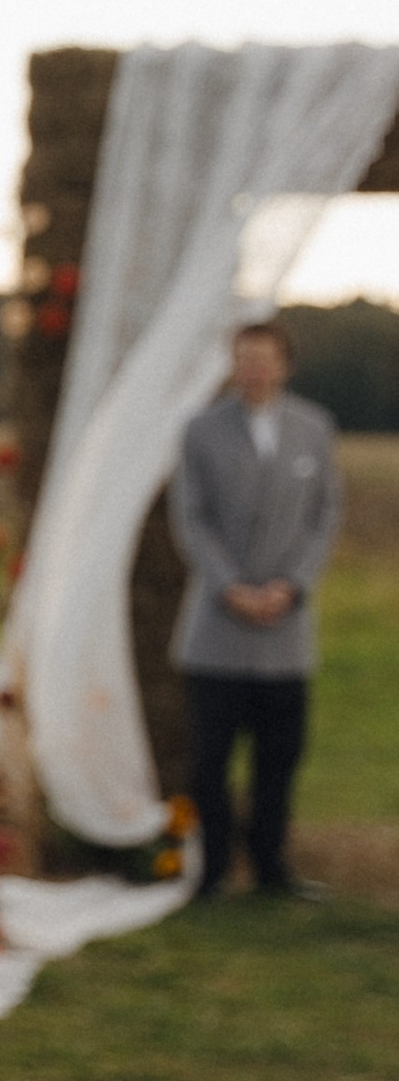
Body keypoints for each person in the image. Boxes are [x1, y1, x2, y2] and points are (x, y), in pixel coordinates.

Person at [170, 317, 343, 899]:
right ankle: (212, 868)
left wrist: (290, 586)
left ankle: (271, 867)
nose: (255, 368)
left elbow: (324, 516)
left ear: (283, 364)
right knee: (209, 762)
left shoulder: (314, 428)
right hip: (218, 627)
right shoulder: (201, 430)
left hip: (285, 630)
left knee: (279, 758)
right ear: (232, 364)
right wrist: (231, 587)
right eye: (244, 357)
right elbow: (191, 517)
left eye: (265, 358)